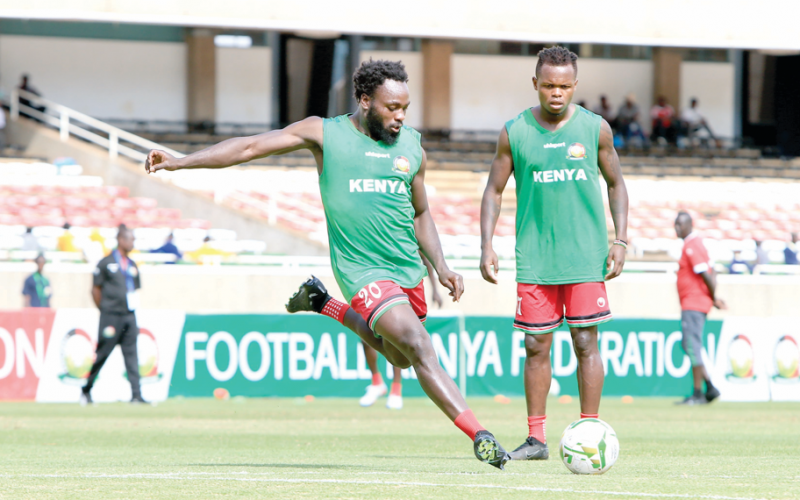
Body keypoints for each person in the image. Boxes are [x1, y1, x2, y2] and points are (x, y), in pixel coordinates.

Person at [144, 59, 510, 470]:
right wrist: (181, 160)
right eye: (392, 108)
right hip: (362, 271)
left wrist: (440, 267)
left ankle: (323, 302)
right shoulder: (325, 133)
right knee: (420, 347)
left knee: (401, 358)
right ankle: (481, 436)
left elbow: (421, 213)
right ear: (365, 100)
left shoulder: (412, 147)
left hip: (407, 269)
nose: (400, 116)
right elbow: (248, 147)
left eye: (405, 107)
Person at [480, 46, 629, 461]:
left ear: (575, 86)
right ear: (536, 84)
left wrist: (620, 240)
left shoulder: (595, 129)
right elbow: (493, 190)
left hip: (585, 258)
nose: (556, 93)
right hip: (535, 259)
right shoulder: (514, 132)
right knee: (535, 347)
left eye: (564, 86)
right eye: (548, 85)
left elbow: (617, 183)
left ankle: (590, 430)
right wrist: (486, 244)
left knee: (585, 341)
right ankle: (536, 440)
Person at [359, 252, 443, 410]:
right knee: (365, 333)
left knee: (397, 339)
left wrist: (435, 289)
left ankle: (396, 390)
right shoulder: (380, 232)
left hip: (407, 288)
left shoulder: (409, 230)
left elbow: (426, 258)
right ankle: (377, 382)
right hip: (381, 285)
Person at [80, 227, 146, 405]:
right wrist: (104, 309)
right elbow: (95, 289)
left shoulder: (132, 265)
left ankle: (136, 395)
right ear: (120, 240)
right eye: (130, 239)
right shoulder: (105, 263)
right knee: (102, 354)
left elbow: (134, 289)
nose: (132, 243)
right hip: (111, 317)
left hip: (129, 316)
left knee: (132, 355)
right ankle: (86, 390)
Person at [674, 212, 725, 405]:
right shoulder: (696, 244)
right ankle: (710, 388)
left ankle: (697, 394)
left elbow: (706, 274)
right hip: (694, 303)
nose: (676, 228)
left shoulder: (692, 246)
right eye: (675, 224)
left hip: (693, 304)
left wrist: (713, 298)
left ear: (689, 225)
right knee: (688, 344)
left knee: (692, 346)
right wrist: (712, 298)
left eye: (680, 224)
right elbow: (714, 271)